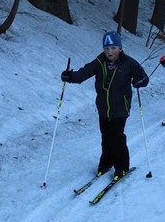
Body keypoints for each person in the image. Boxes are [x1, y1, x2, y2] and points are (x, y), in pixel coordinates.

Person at [61, 31, 149, 180]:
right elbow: (84, 73)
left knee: (116, 137)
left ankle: (121, 167)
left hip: (120, 108)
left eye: (113, 48)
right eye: (107, 48)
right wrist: (70, 77)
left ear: (120, 48)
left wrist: (140, 80)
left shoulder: (128, 62)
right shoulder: (99, 62)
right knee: (106, 136)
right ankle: (106, 163)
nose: (110, 52)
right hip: (103, 108)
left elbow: (143, 76)